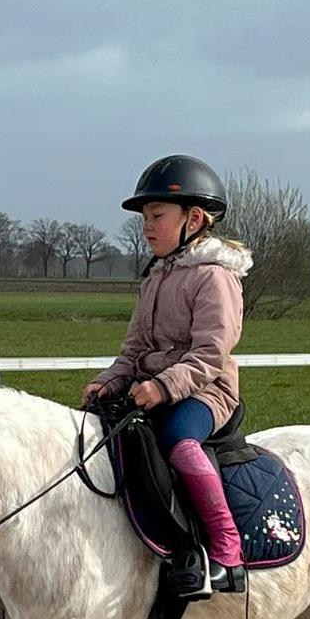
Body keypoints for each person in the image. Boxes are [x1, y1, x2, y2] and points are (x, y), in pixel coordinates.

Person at [82, 154, 253, 595]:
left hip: (205, 393)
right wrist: (108, 382)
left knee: (178, 441)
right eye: (145, 218)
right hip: (152, 389)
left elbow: (211, 352)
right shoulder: (155, 279)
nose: (147, 226)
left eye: (157, 215)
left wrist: (163, 386)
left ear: (193, 219)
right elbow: (133, 350)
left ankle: (227, 550)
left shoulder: (215, 278)